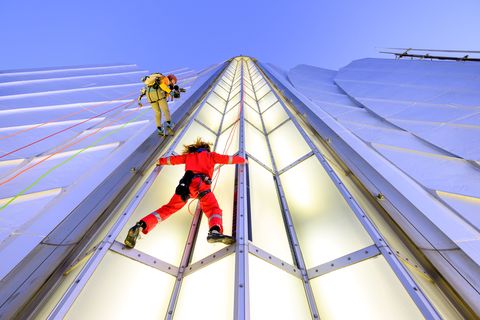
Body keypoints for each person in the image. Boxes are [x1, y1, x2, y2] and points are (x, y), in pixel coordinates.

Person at [124, 138, 247, 248]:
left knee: (168, 209)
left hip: (185, 186)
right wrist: (243, 160)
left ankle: (141, 225)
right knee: (213, 209)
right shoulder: (211, 155)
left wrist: (159, 161)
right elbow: (228, 159)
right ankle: (214, 232)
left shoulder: (189, 156)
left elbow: (172, 160)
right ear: (206, 149)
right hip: (201, 186)